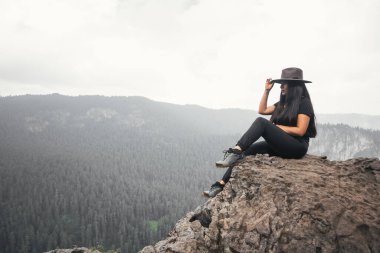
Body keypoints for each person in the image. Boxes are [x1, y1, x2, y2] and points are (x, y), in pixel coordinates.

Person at [203, 67, 317, 198]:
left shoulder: (304, 103)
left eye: (284, 84)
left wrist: (277, 127)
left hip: (297, 147)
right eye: (281, 84)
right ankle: (221, 184)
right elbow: (262, 110)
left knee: (261, 123)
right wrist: (267, 91)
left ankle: (236, 151)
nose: (281, 87)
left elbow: (301, 130)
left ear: (294, 86)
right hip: (282, 144)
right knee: (248, 150)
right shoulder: (282, 103)